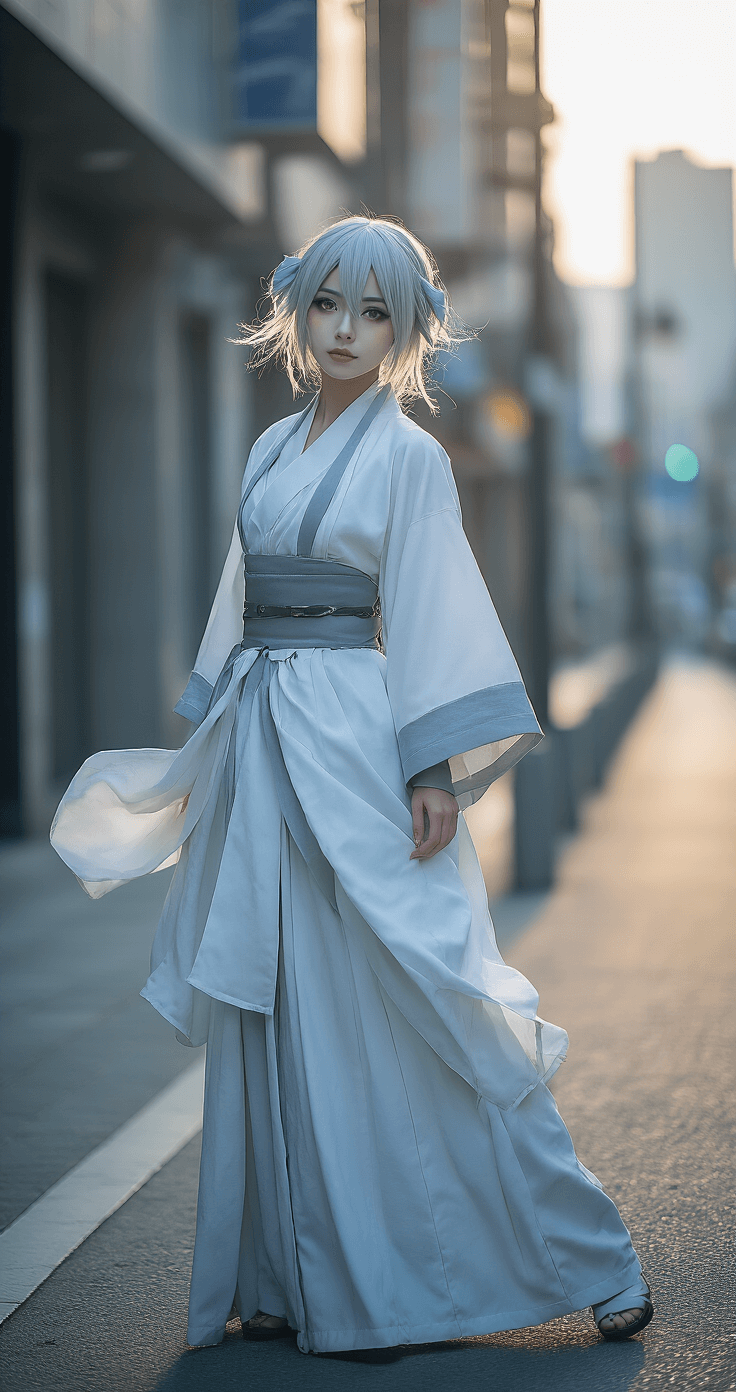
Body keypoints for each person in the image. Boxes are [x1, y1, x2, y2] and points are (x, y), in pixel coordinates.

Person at [51, 214, 653, 1361]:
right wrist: (216, 718)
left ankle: (593, 1257)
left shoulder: (412, 458)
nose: (346, 330)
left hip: (360, 747)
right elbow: (242, 591)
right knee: (282, 1005)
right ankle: (289, 1274)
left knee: (434, 988)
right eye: (329, 302)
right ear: (296, 308)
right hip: (267, 741)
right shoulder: (269, 451)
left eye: (376, 311)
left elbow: (430, 603)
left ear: (407, 329)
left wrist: (429, 763)